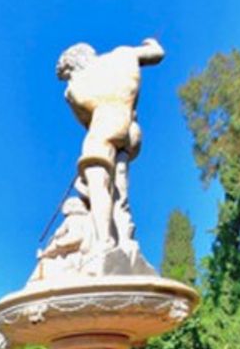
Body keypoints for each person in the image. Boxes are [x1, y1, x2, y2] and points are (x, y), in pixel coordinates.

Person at [56, 37, 165, 255]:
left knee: (97, 183)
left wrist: (73, 90)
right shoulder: (124, 54)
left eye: (66, 74)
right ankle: (125, 241)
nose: (67, 79)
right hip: (130, 130)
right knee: (119, 192)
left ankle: (104, 244)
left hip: (104, 126)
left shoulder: (76, 85)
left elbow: (87, 121)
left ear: (71, 65)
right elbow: (156, 54)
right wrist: (151, 43)